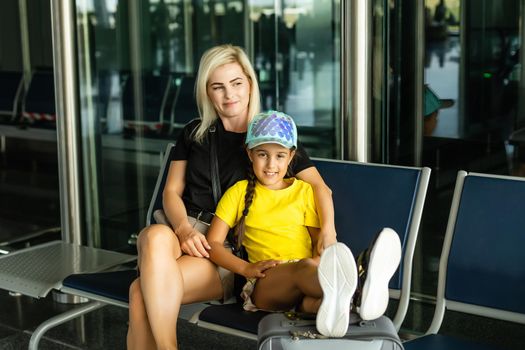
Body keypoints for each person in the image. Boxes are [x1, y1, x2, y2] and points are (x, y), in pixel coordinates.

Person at [127, 45, 337, 349]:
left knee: (138, 292)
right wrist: (184, 230)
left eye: (237, 83)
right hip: (183, 229)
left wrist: (327, 232)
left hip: (223, 249)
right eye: (218, 87)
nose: (229, 95)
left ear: (250, 83)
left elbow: (320, 188)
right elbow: (171, 192)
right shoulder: (194, 132)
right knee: (155, 236)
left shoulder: (270, 135)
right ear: (207, 92)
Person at [207, 110, 402, 337]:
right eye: (262, 154)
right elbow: (213, 243)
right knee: (305, 268)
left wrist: (321, 259)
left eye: (280, 156)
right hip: (265, 284)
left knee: (317, 301)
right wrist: (245, 268)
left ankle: (350, 303)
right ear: (250, 154)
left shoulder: (304, 191)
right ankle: (360, 288)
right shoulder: (238, 192)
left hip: (306, 284)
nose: (271, 164)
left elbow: (319, 242)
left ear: (291, 157)